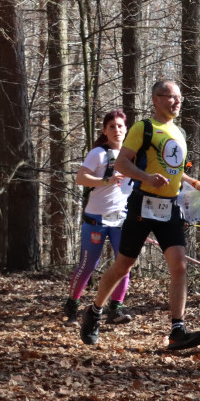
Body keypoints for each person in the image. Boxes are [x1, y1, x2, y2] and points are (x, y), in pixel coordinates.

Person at [80, 79, 200, 351]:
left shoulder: (179, 133)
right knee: (123, 265)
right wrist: (146, 177)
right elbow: (122, 162)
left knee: (180, 266)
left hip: (170, 208)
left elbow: (173, 168)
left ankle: (177, 330)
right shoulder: (143, 128)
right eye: (171, 97)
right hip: (142, 206)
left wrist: (194, 183)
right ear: (156, 99)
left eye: (180, 98)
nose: (177, 102)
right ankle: (94, 311)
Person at [64, 109, 133, 325]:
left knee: (124, 264)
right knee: (88, 265)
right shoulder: (99, 154)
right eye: (111, 126)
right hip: (96, 218)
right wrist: (107, 180)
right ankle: (71, 307)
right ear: (104, 130)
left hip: (121, 220)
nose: (116, 130)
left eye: (120, 126)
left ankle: (115, 309)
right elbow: (81, 178)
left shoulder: (133, 156)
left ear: (126, 128)